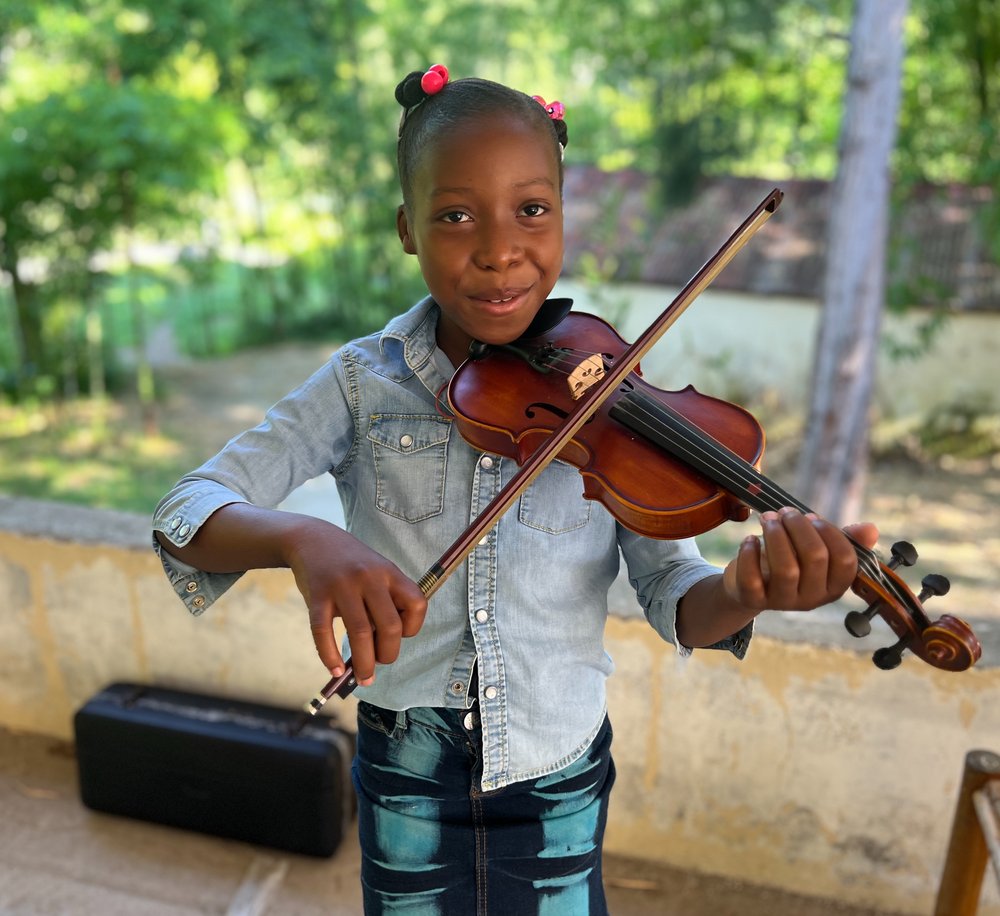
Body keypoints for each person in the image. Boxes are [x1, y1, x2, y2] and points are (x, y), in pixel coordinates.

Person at [153, 65, 878, 915]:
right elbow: (185, 512)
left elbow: (675, 592)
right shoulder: (359, 383)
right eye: (455, 216)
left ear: (564, 219)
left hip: (559, 771)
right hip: (408, 766)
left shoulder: (615, 391)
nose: (498, 248)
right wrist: (300, 540)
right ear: (407, 231)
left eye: (531, 210)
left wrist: (745, 593)